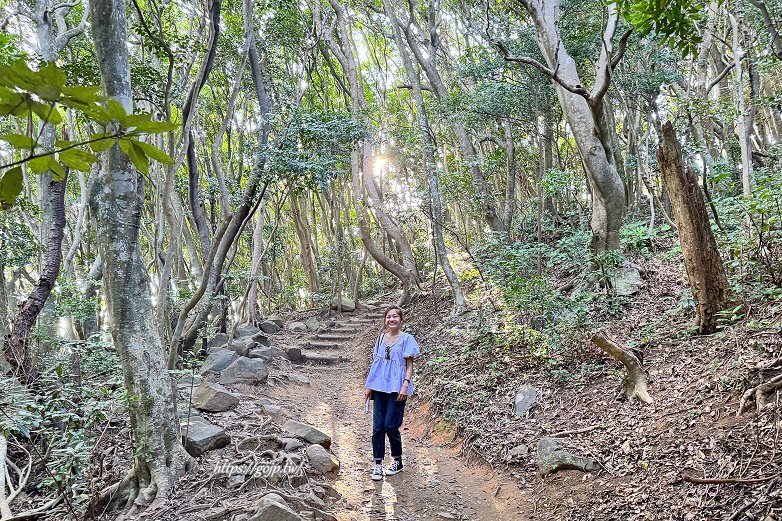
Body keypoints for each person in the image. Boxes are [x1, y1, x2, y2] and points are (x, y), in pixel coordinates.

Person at [363, 305, 420, 481]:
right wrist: (369, 386)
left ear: (401, 320)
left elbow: (409, 365)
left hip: (397, 388)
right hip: (379, 387)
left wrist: (405, 384)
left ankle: (397, 460)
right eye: (388, 317)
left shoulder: (407, 339)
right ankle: (378, 464)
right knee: (378, 427)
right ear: (385, 320)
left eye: (395, 316)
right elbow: (376, 364)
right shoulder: (380, 339)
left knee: (390, 425)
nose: (392, 319)